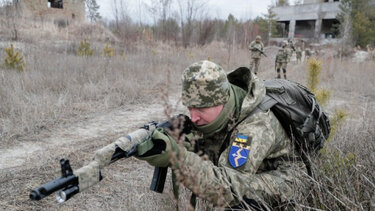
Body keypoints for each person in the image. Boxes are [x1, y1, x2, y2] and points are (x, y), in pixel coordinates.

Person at [136, 60, 309, 209]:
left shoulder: (255, 127)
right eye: (190, 108)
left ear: (223, 101)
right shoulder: (223, 107)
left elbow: (226, 188)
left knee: (237, 202)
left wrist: (179, 158)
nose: (194, 117)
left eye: (201, 109)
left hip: (288, 181)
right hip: (253, 169)